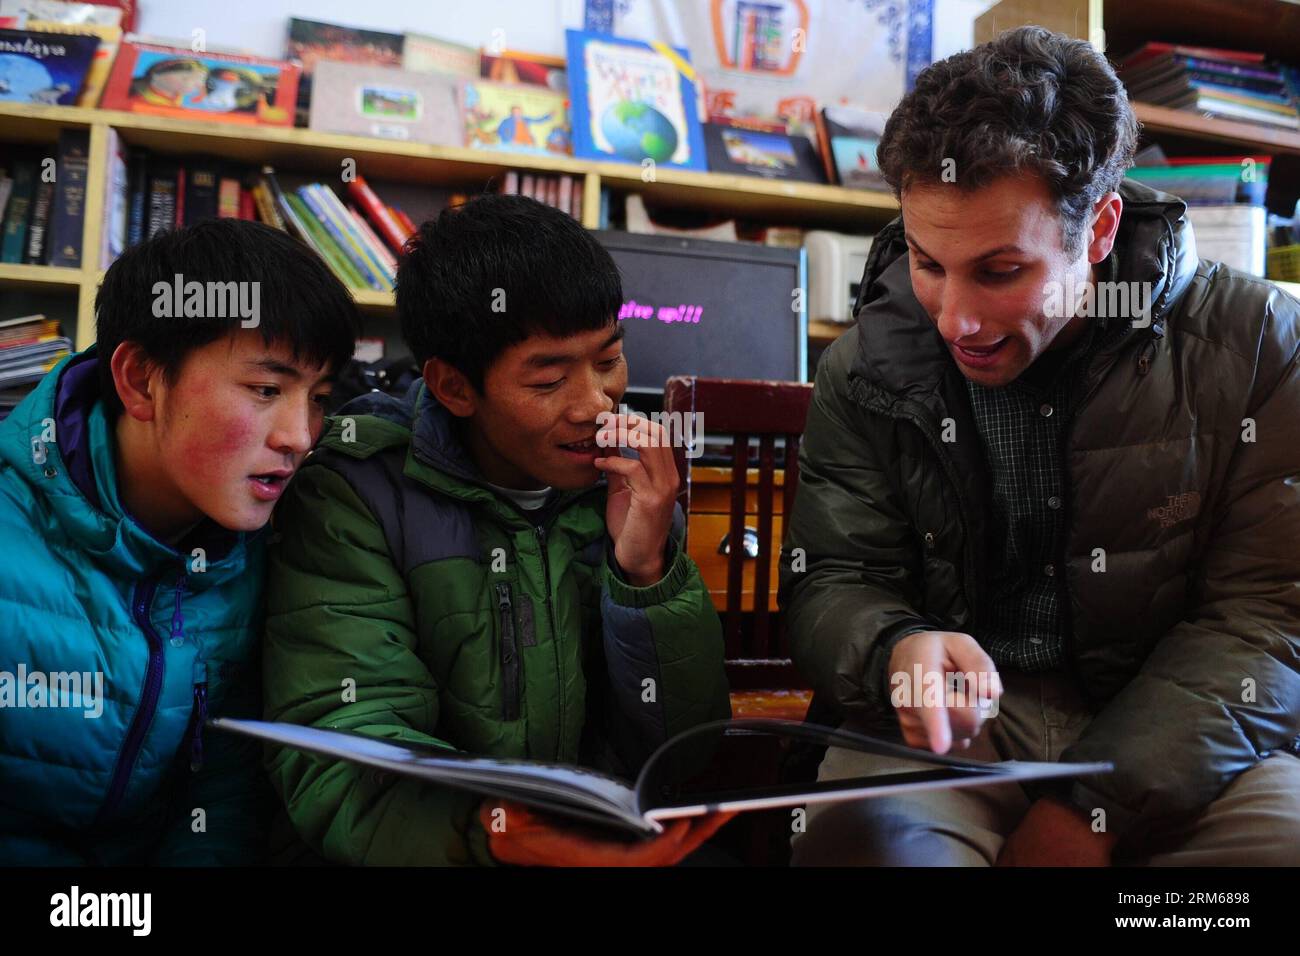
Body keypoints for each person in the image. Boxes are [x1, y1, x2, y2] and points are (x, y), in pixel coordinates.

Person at [781, 25, 1300, 866]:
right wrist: (892, 646)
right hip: (954, 743)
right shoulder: (868, 364)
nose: (954, 319)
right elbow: (835, 579)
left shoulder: (1264, 347)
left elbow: (1271, 620)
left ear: (1098, 230)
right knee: (863, 848)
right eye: (926, 261)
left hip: (1182, 732)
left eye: (999, 272)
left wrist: (1094, 811)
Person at [262, 193, 731, 866]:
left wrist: (645, 575)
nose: (597, 404)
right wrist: (501, 834)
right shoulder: (357, 492)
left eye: (608, 359)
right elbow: (346, 756)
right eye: (548, 380)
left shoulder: (633, 489)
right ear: (455, 388)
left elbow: (684, 755)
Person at [0, 219, 359, 863]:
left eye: (319, 398)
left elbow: (221, 791)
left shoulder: (256, 550)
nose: (301, 436)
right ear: (140, 380)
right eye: (266, 389)